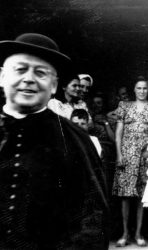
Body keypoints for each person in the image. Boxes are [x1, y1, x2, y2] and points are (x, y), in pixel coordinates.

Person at [0, 33, 109, 249]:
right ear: (2, 76)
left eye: (40, 73)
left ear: (53, 85)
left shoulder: (75, 139)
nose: (29, 78)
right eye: (20, 69)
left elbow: (93, 220)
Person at [113, 75, 148, 247]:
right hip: (126, 154)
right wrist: (119, 154)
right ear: (134, 89)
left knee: (142, 195)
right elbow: (118, 133)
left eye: (145, 88)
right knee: (125, 196)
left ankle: (138, 233)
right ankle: (125, 233)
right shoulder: (124, 106)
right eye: (139, 88)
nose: (142, 91)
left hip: (145, 155)